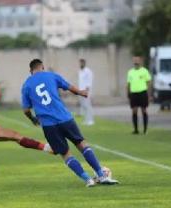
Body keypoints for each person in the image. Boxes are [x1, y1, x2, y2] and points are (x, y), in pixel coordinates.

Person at [21, 59, 118, 187]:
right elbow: (68, 86)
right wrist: (81, 92)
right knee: (82, 144)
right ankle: (101, 174)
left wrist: (33, 119)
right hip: (65, 118)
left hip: (48, 125)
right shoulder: (52, 75)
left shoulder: (26, 85)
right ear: (42, 67)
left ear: (30, 71)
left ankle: (88, 179)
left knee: (65, 154)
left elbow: (26, 109)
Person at [127, 56, 152, 134]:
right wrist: (128, 93)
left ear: (140, 61)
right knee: (134, 111)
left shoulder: (144, 71)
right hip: (134, 93)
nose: (136, 62)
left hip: (142, 92)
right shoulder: (130, 72)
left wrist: (149, 94)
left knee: (143, 110)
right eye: (134, 60)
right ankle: (136, 129)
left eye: (137, 60)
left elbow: (148, 82)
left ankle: (145, 129)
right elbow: (128, 84)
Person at [78, 59, 94, 125]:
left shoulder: (88, 71)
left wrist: (87, 90)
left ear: (84, 63)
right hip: (80, 91)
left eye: (81, 63)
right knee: (83, 106)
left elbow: (89, 81)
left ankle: (90, 120)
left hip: (86, 91)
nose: (80, 64)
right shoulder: (80, 71)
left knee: (88, 105)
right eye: (80, 63)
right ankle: (86, 120)